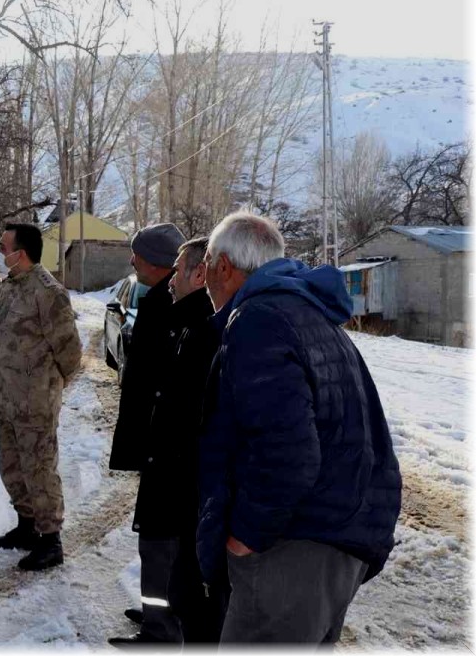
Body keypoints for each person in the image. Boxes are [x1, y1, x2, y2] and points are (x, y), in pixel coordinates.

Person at [198, 212, 402, 644]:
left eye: (206, 265)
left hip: (293, 547)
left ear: (223, 267)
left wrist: (244, 538)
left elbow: (288, 452)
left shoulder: (259, 320)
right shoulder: (306, 312)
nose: (204, 278)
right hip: (335, 536)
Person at [109, 237, 223, 646]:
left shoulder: (203, 327)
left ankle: (162, 628)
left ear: (199, 272)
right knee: (158, 550)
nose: (173, 279)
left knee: (166, 551)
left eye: (179, 270)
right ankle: (159, 615)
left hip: (177, 470)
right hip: (165, 461)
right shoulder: (184, 317)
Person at [107, 221, 187, 645]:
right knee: (155, 541)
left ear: (155, 262)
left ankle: (162, 629)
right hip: (157, 444)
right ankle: (157, 613)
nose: (131, 261)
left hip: (166, 448)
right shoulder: (158, 298)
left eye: (136, 255)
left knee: (160, 542)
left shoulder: (172, 305)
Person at [0, 223, 83, 571]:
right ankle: (27, 527)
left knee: (39, 470)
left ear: (20, 252)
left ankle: (50, 539)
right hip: (8, 401)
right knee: (12, 468)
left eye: (3, 246)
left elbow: (70, 353)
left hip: (35, 404)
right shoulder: (10, 287)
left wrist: (47, 388)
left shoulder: (49, 292)